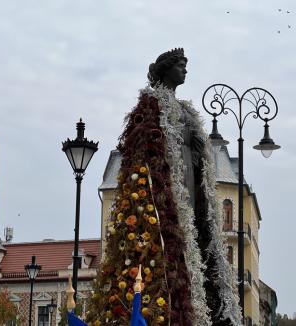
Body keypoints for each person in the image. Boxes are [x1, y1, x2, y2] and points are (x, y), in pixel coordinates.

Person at [87, 49, 241, 326]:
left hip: (189, 178)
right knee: (175, 230)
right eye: (180, 66)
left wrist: (197, 153)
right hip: (165, 182)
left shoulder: (185, 109)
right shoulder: (151, 103)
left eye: (186, 66)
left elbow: (198, 153)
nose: (185, 70)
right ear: (165, 69)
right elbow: (141, 145)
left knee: (193, 223)